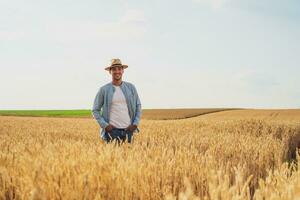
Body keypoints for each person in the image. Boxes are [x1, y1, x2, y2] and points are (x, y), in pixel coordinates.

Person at [92, 58, 142, 144]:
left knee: (129, 157)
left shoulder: (131, 88)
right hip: (111, 132)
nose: (117, 71)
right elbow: (95, 110)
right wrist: (105, 125)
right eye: (114, 69)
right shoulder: (103, 90)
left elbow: (138, 105)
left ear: (123, 71)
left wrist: (135, 124)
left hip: (128, 131)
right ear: (110, 72)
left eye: (119, 69)